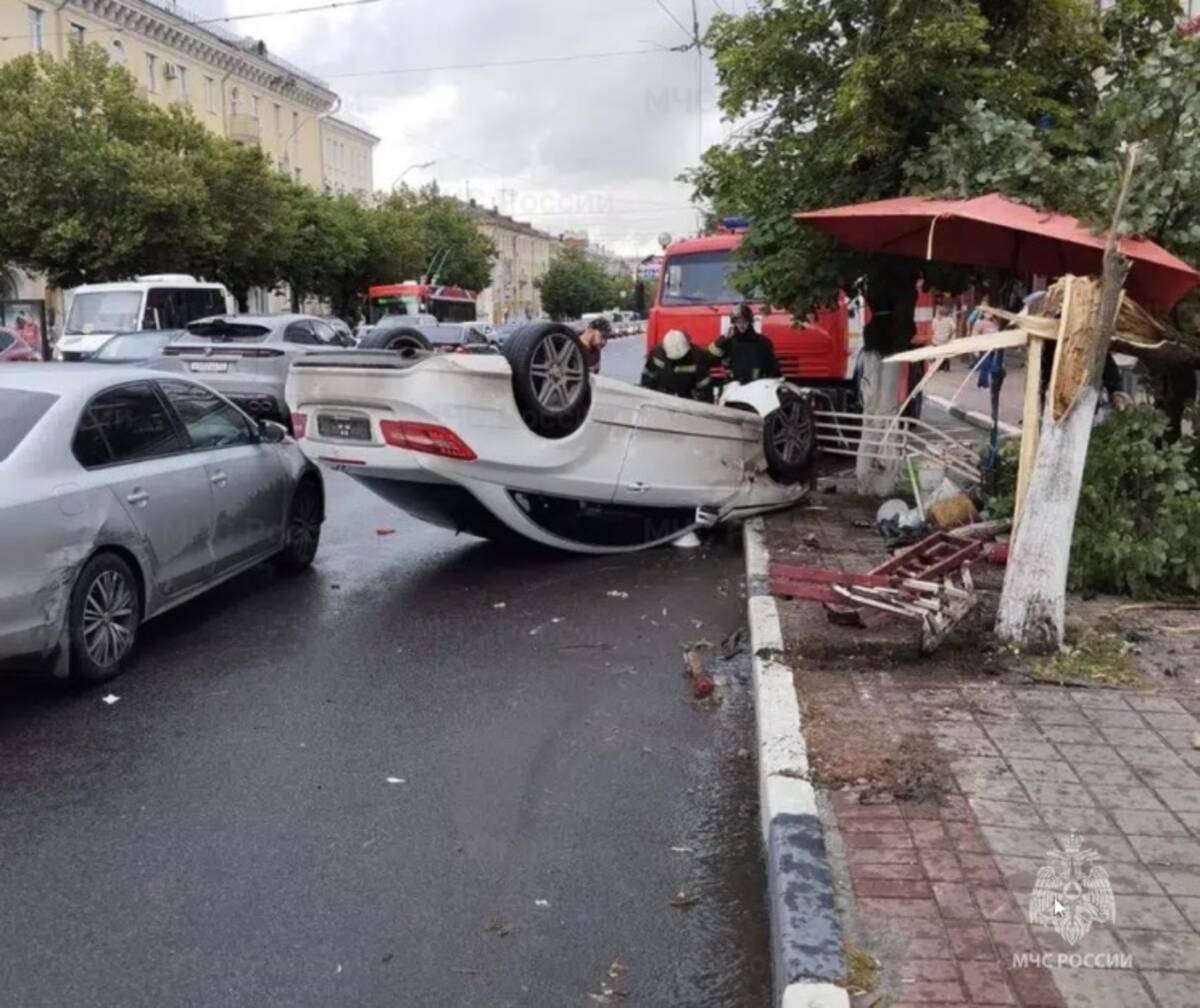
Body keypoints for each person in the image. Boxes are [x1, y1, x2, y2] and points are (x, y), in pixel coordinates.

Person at [709, 303, 780, 384]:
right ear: (734, 323)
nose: (741, 325)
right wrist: (722, 339)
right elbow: (710, 359)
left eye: (744, 321)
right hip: (733, 386)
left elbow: (773, 368)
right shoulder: (728, 341)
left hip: (757, 386)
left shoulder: (763, 342)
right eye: (738, 322)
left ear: (750, 322)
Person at [640, 329, 714, 402]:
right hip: (662, 397)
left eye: (680, 358)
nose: (677, 361)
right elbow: (648, 375)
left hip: (688, 400)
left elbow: (705, 388)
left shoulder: (697, 357)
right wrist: (646, 396)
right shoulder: (656, 354)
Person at [931, 301, 956, 371]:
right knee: (944, 354)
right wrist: (950, 335)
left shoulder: (935, 320)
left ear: (940, 314)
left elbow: (933, 329)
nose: (936, 314)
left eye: (937, 313)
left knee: (939, 354)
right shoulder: (949, 320)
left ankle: (940, 368)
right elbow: (954, 328)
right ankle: (945, 368)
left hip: (938, 340)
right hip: (944, 340)